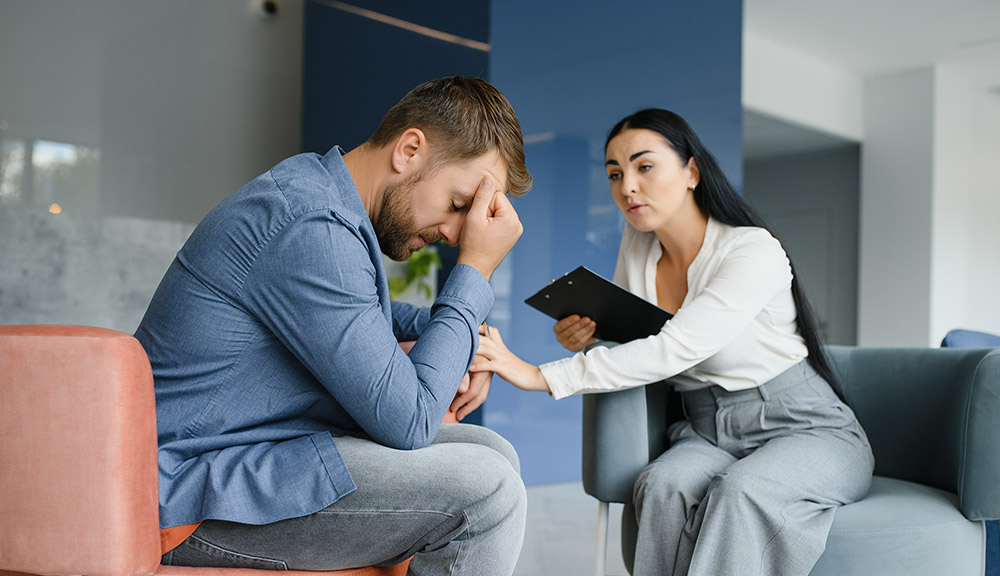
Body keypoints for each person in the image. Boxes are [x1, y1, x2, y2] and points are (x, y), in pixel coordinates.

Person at [135, 76, 532, 575]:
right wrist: (473, 272)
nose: (455, 234)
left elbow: (370, 322)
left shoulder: (322, 197)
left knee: (495, 452)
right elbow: (409, 421)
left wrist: (467, 338)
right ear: (410, 150)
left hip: (257, 456)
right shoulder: (309, 224)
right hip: (193, 492)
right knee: (487, 491)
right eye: (457, 205)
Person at [472, 108, 874, 576]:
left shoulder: (752, 250)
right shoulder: (637, 243)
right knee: (662, 484)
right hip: (705, 428)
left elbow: (675, 347)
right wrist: (591, 335)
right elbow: (635, 335)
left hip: (804, 426)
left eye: (644, 167)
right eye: (614, 173)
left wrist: (539, 375)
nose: (627, 187)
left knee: (741, 492)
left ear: (691, 172)